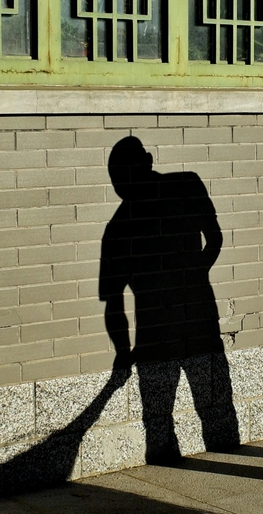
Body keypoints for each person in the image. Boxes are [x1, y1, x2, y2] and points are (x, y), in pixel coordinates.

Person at [99, 136, 239, 465]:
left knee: (161, 421)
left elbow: (113, 302)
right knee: (213, 411)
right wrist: (194, 276)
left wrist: (124, 352)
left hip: (159, 332)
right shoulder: (185, 186)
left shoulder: (118, 226)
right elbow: (215, 238)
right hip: (194, 320)